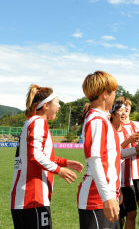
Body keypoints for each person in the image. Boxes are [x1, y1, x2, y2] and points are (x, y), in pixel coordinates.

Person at [77, 71, 139, 229]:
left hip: (106, 196)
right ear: (104, 94)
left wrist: (135, 150)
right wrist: (107, 196)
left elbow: (112, 157)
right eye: (114, 91)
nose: (115, 96)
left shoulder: (102, 119)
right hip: (96, 198)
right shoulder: (96, 120)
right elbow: (94, 160)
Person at [10, 84, 84, 229]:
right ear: (45, 106)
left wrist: (65, 162)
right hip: (33, 198)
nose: (59, 106)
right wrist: (59, 170)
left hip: (23, 199)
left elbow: (39, 155)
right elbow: (35, 155)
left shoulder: (31, 122)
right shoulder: (38, 122)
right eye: (57, 102)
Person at [110, 100, 139, 229]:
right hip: (121, 177)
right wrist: (131, 143)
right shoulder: (111, 129)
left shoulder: (137, 125)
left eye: (126, 108)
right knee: (123, 214)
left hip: (138, 174)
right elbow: (114, 153)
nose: (124, 111)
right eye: (121, 109)